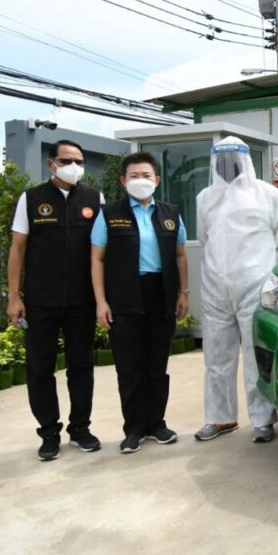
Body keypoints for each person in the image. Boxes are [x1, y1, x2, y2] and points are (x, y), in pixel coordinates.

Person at [193, 137, 278, 444]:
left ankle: (263, 420)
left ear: (247, 161)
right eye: (221, 160)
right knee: (216, 357)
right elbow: (205, 238)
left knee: (256, 355)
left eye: (234, 159)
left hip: (256, 287)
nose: (228, 165)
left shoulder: (268, 194)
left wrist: (271, 283)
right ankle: (220, 418)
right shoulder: (205, 198)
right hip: (215, 288)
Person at [7, 140, 103, 461]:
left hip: (82, 301)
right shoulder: (31, 199)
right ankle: (49, 433)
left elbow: (102, 252)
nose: (74, 166)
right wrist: (14, 297)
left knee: (82, 367)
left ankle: (80, 429)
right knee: (40, 369)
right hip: (40, 302)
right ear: (52, 164)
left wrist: (103, 298)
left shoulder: (95, 199)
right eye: (66, 160)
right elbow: (17, 249)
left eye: (79, 161)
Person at [90, 152, 189, 455]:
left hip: (161, 295)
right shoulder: (109, 214)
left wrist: (184, 293)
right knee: (130, 368)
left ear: (157, 180)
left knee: (157, 365)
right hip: (124, 297)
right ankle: (133, 429)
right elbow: (97, 258)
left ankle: (157, 424)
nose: (140, 180)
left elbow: (181, 255)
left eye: (146, 175)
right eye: (134, 176)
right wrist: (101, 301)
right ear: (123, 181)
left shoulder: (171, 213)